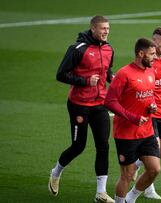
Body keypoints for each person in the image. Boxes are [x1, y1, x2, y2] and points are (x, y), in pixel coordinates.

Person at [48, 15, 115, 203]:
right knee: (79, 146)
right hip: (79, 105)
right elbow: (61, 74)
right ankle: (56, 172)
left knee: (103, 146)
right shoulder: (77, 49)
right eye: (103, 28)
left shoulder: (109, 49)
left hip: (100, 104)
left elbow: (107, 70)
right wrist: (85, 81)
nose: (106, 32)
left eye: (108, 29)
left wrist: (112, 78)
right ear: (93, 28)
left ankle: (100, 192)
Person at [105, 38, 161, 203]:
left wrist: (153, 106)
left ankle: (131, 198)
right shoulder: (124, 74)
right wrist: (132, 117)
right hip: (126, 134)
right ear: (141, 53)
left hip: (147, 131)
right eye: (151, 54)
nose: (155, 57)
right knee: (127, 175)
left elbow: (149, 97)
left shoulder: (151, 71)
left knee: (154, 169)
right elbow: (109, 101)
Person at [133, 26, 161, 200]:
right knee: (155, 149)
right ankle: (149, 188)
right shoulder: (147, 61)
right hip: (149, 112)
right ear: (154, 40)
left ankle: (137, 163)